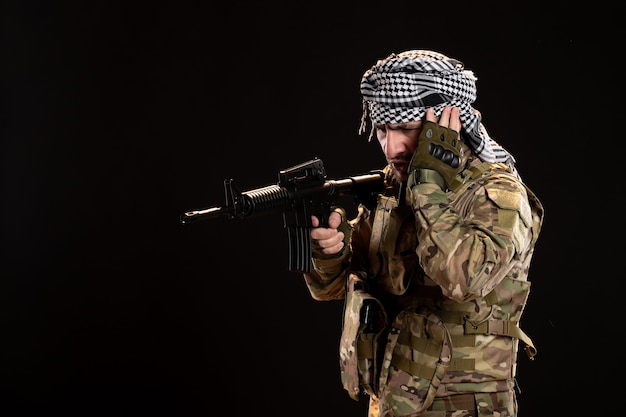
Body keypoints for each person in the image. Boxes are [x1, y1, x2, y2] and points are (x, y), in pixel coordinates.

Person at [303, 49, 544, 416]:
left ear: (451, 123)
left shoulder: (495, 193)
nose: (391, 147)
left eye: (407, 129)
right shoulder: (394, 185)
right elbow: (335, 286)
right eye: (383, 129)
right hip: (392, 401)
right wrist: (330, 252)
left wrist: (427, 187)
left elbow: (464, 279)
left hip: (464, 406)